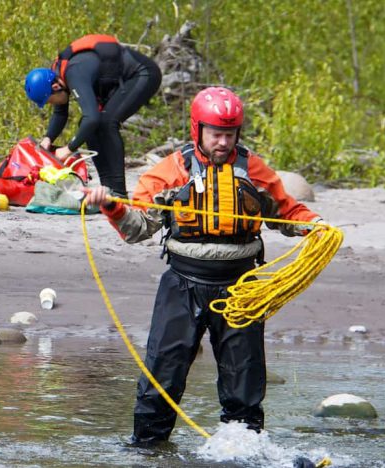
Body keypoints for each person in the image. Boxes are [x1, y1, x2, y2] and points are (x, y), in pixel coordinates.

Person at [84, 87, 325, 445]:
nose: (223, 142)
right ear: (198, 129)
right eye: (216, 134)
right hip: (183, 284)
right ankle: (148, 449)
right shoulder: (170, 172)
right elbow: (135, 230)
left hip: (243, 288)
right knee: (163, 375)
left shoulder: (255, 171)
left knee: (244, 381)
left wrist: (314, 225)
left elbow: (288, 213)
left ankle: (242, 448)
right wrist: (111, 207)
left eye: (230, 134)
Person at [24, 34, 162, 197]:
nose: (51, 104)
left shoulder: (74, 73)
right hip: (128, 77)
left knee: (107, 122)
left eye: (49, 101)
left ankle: (118, 191)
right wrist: (48, 139)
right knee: (90, 125)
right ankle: (107, 188)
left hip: (143, 73)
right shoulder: (58, 78)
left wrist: (68, 149)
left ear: (55, 87)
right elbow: (61, 113)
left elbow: (93, 118)